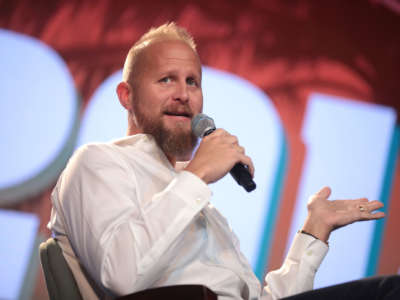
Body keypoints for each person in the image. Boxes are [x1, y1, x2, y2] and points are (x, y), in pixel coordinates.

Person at [48, 22, 397, 300]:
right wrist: (197, 173)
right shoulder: (98, 162)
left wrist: (312, 234)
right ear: (127, 95)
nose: (183, 94)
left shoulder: (201, 206)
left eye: (193, 82)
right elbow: (121, 275)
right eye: (166, 79)